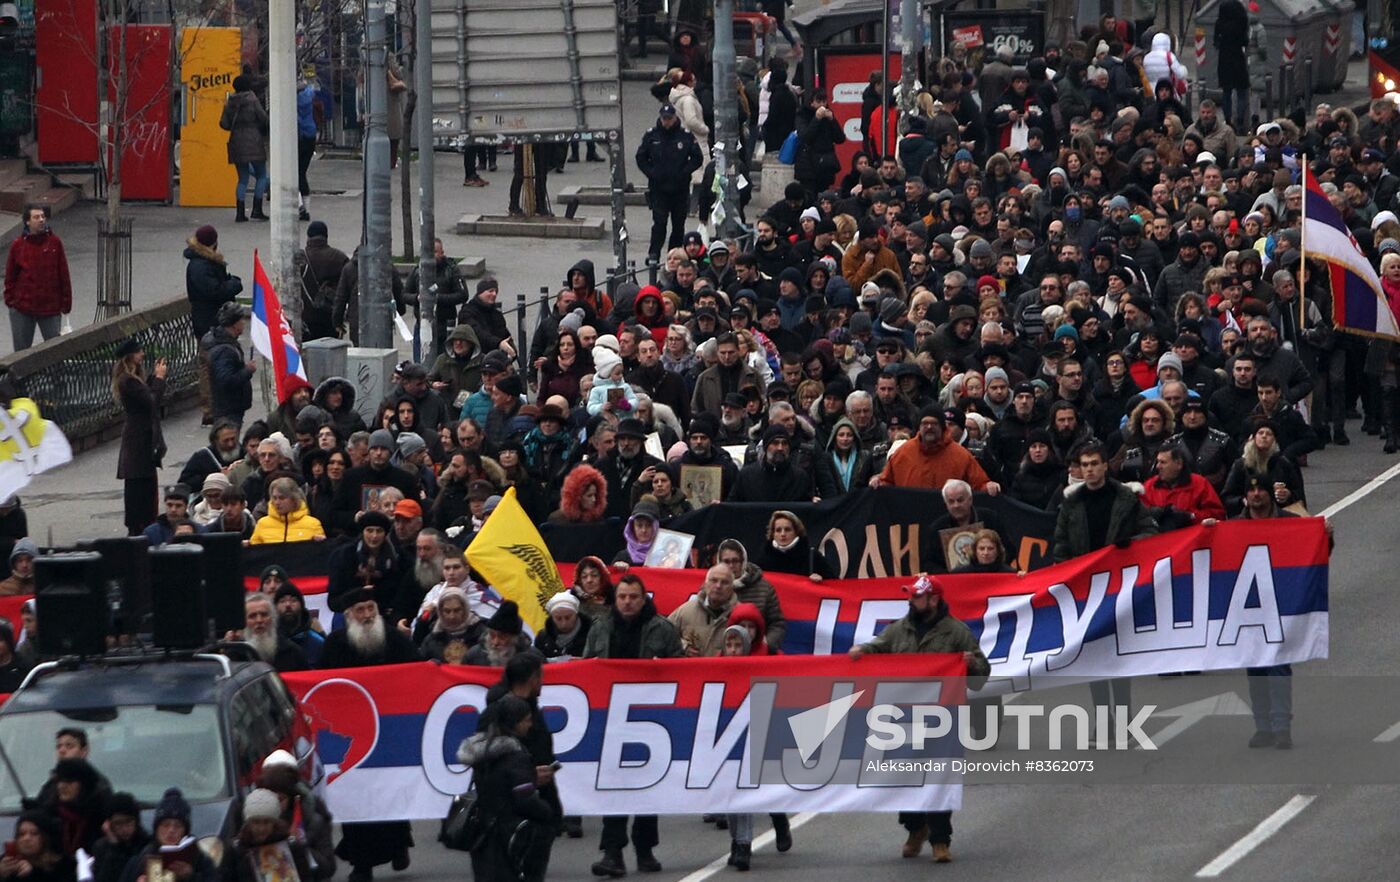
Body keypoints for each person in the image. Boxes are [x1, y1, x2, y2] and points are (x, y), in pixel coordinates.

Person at [849, 575, 989, 863]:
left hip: (942, 719)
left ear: (933, 599)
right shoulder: (899, 630)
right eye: (910, 596)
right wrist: (862, 650)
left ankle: (940, 839)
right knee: (904, 778)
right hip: (903, 720)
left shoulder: (956, 632)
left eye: (916, 596)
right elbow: (878, 646)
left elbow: (981, 679)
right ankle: (915, 828)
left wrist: (970, 663)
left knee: (938, 778)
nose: (910, 600)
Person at [1052, 441, 1158, 743]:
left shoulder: (1126, 498)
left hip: (1119, 588)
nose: (1089, 469)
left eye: (1094, 463)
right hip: (1086, 590)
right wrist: (1067, 572)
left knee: (1119, 659)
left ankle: (1124, 721)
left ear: (1105, 465)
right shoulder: (1072, 503)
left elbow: (1150, 531)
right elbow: (1060, 543)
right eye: (1084, 465)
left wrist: (1130, 542)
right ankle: (1102, 721)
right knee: (1094, 659)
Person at [583, 575, 681, 875]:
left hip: (650, 718)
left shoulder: (662, 628)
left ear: (643, 598)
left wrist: (662, 669)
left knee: (646, 789)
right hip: (610, 718)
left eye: (633, 597)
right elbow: (586, 666)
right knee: (614, 789)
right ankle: (612, 853)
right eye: (622, 596)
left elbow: (682, 669)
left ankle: (645, 849)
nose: (627, 602)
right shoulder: (600, 627)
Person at [318, 589, 416, 882]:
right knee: (357, 796)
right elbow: (324, 685)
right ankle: (362, 864)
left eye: (370, 608)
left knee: (391, 792)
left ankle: (399, 846)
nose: (367, 615)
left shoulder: (395, 640)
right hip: (352, 735)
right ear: (349, 615)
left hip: (390, 732)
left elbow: (416, 673)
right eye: (360, 610)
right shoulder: (335, 645)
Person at [457, 694, 556, 882]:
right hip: (509, 835)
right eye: (526, 720)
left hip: (483, 836)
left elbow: (499, 784)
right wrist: (546, 812)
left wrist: (531, 777)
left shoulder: (483, 754)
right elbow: (524, 798)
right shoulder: (515, 757)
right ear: (515, 723)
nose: (530, 725)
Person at [873, 407, 998, 494]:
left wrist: (988, 487)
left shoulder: (961, 455)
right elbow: (887, 481)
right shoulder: (903, 453)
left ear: (942, 427)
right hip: (911, 524)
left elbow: (979, 483)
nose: (929, 427)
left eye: (934, 424)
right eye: (925, 423)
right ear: (919, 427)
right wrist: (877, 482)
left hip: (947, 525)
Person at [113, 339, 168, 537]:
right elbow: (151, 401)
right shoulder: (127, 381)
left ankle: (144, 523)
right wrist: (160, 379)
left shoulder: (133, 380)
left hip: (142, 439)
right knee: (140, 487)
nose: (142, 354)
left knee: (145, 484)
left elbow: (146, 395)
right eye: (139, 352)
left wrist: (154, 377)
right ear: (130, 356)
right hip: (138, 441)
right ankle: (140, 527)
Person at [256, 749, 336, 881]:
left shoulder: (314, 819)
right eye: (270, 797)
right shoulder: (255, 819)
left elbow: (328, 868)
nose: (274, 804)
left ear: (292, 797)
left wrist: (299, 845)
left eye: (280, 799)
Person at [636, 104, 703, 261]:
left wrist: (684, 172)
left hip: (680, 189)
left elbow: (697, 158)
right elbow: (641, 157)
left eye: (669, 119)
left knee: (678, 225)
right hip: (658, 189)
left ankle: (674, 254)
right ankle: (654, 254)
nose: (667, 122)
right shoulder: (652, 136)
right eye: (664, 119)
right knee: (659, 223)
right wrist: (651, 173)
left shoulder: (685, 136)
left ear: (675, 118)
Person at [4, 205, 72, 353]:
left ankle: (55, 376)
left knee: (54, 351)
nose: (41, 220)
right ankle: (21, 377)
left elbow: (63, 273)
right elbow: (10, 275)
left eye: (42, 216)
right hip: (23, 308)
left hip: (50, 307)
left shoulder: (55, 243)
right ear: (27, 222)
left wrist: (66, 302)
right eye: (36, 217)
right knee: (22, 353)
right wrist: (11, 300)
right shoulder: (18, 245)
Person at [117, 788, 218, 882]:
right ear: (156, 828)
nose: (171, 830)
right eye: (165, 825)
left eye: (178, 826)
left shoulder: (201, 862)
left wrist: (191, 877)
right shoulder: (139, 859)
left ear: (185, 831)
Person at [224, 789, 313, 882]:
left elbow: (306, 877)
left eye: (266, 822)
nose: (261, 828)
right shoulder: (235, 850)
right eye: (256, 822)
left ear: (274, 823)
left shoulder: (292, 846)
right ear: (248, 823)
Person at [220, 75, 270, 222]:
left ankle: (240, 213)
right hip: (254, 141)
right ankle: (256, 209)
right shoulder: (252, 99)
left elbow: (223, 123)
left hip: (236, 141)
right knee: (261, 175)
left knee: (242, 178)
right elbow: (263, 118)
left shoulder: (230, 101)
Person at [203, 302, 255, 427]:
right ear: (235, 324)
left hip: (231, 408)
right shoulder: (224, 351)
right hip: (228, 409)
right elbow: (226, 381)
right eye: (241, 320)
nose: (244, 323)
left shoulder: (226, 344)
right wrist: (247, 371)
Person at [239, 593, 309, 672]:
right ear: (244, 621)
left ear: (273, 618)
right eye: (252, 616)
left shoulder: (294, 653)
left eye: (264, 615)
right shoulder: (236, 654)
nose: (259, 620)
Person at [90, 793, 149, 882]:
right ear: (109, 824)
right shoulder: (101, 847)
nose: (124, 829)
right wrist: (114, 847)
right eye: (118, 823)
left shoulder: (146, 845)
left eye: (128, 822)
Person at [0, 813, 76, 882]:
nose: (26, 839)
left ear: (46, 838)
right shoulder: (8, 862)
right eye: (21, 834)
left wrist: (32, 875)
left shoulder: (64, 867)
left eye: (34, 833)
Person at [250, 477, 326, 544]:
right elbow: (254, 553)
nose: (277, 502)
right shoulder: (262, 524)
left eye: (282, 498)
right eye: (274, 498)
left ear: (294, 499)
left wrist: (322, 543)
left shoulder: (313, 524)